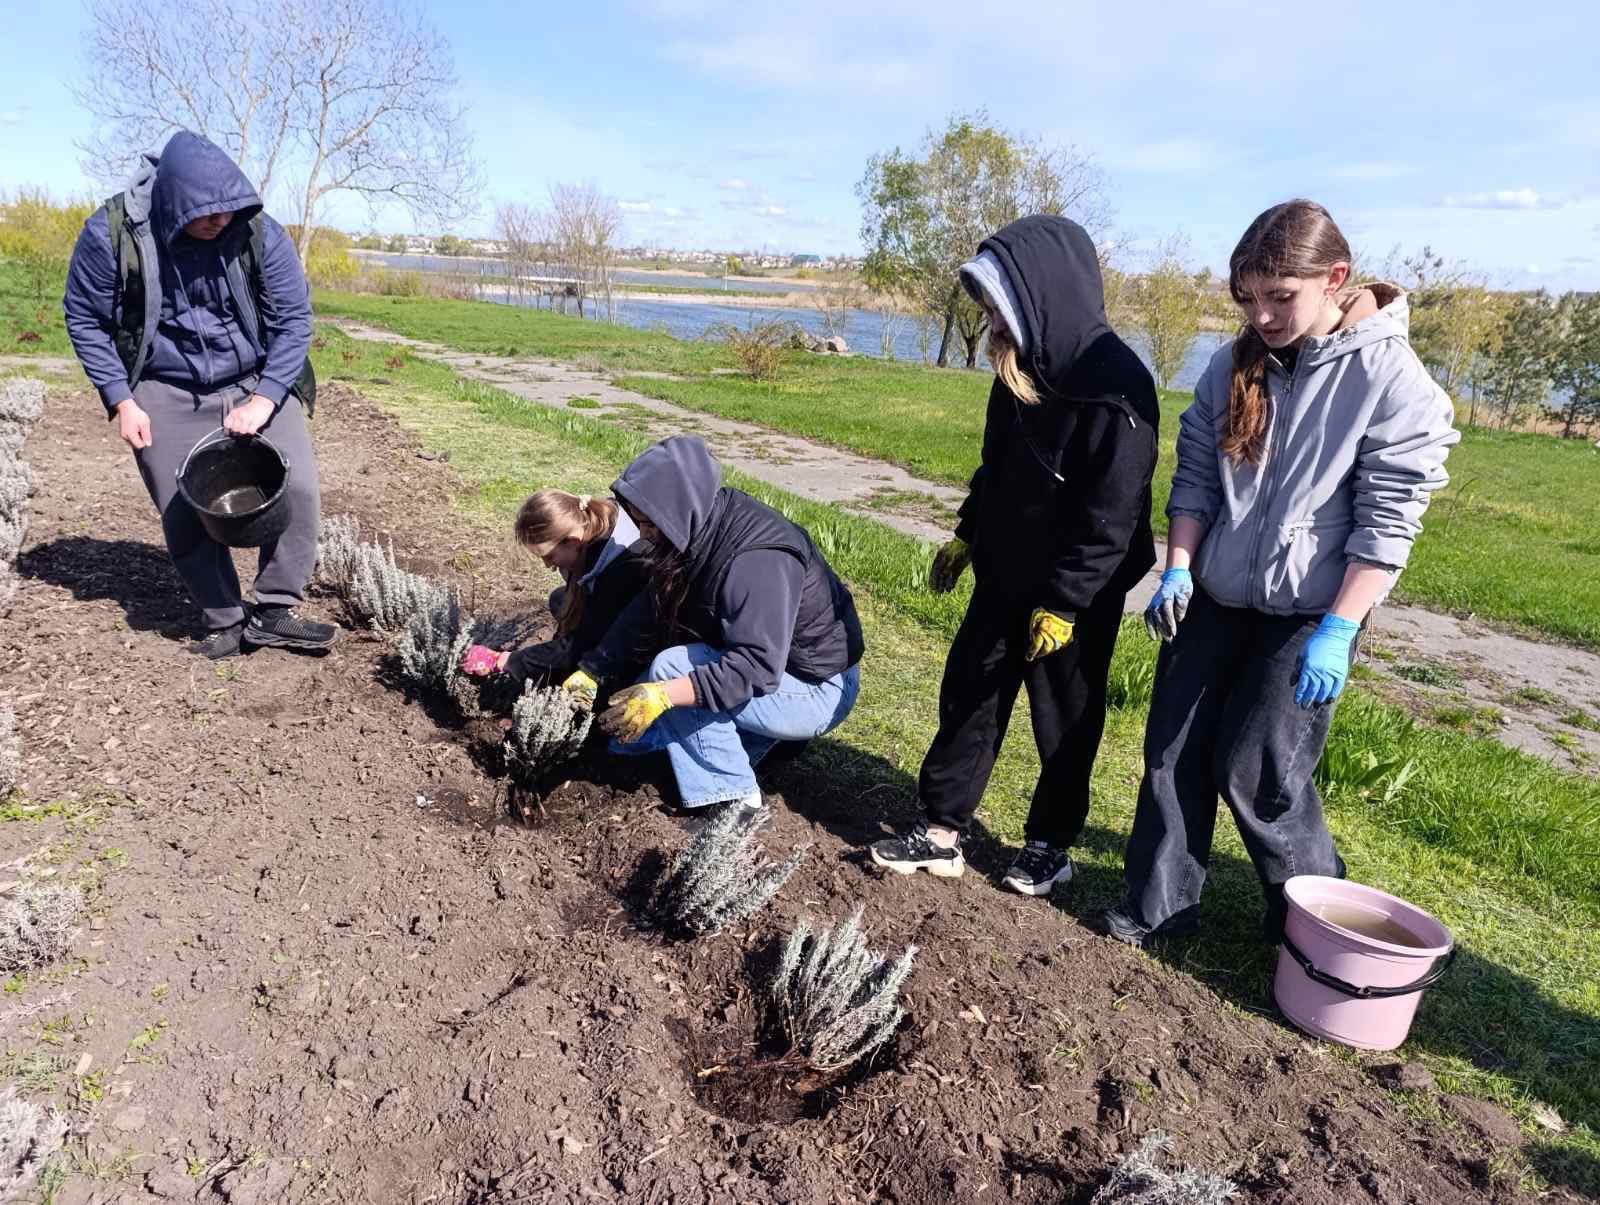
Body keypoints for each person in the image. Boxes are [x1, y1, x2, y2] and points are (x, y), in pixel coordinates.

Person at [1100, 199, 1459, 947]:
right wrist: (1178, 569)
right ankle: (1158, 908)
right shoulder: (1237, 364)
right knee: (1172, 750)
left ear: (1336, 279)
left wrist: (1340, 627)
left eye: (1279, 297)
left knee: (1259, 772)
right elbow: (1196, 474)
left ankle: (1312, 929)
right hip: (1217, 593)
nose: (1261, 315)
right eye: (1249, 298)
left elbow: (1387, 522)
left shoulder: (1392, 379)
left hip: (1311, 613)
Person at [869, 215, 1160, 894]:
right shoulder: (1018, 365)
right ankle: (941, 830)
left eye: (998, 305)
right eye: (987, 307)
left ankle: (1050, 844)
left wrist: (1065, 602)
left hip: (1079, 588)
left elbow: (1113, 516)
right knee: (970, 688)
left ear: (1043, 291)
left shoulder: (1119, 386)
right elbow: (996, 466)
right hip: (1006, 562)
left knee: (1064, 717)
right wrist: (969, 532)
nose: (991, 320)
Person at [63, 130, 335, 659]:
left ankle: (275, 610)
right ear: (173, 202)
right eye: (208, 213)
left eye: (229, 210)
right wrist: (121, 398)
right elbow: (85, 318)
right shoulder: (111, 234)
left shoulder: (257, 231)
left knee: (297, 486)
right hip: (162, 382)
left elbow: (294, 320)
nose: (221, 221)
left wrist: (266, 397)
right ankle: (224, 619)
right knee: (182, 501)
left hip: (254, 375)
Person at [579, 435, 864, 816]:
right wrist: (593, 670)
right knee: (630, 750)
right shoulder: (696, 528)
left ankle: (734, 805)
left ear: (675, 510)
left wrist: (665, 694)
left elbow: (758, 668)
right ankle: (761, 742)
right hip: (776, 672)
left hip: (814, 686)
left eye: (647, 524)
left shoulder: (756, 559)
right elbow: (648, 608)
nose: (644, 535)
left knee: (672, 671)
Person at [460, 488, 652, 703]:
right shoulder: (594, 521)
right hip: (620, 606)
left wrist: (509, 661)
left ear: (573, 541)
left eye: (549, 556)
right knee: (560, 600)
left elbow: (581, 644)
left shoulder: (624, 565)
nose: (548, 565)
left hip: (650, 640)